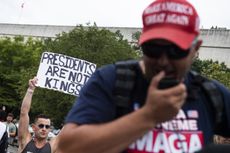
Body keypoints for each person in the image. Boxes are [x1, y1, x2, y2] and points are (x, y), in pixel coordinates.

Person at [58, 0, 230, 153]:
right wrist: (148, 116)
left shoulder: (209, 93)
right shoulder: (112, 81)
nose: (163, 61)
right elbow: (68, 147)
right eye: (153, 49)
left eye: (175, 50)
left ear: (196, 48)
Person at [18, 77, 59, 153]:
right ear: (33, 127)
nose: (44, 129)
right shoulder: (25, 141)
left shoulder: (52, 146)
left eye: (47, 127)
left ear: (50, 129)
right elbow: (24, 113)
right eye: (41, 125)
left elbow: (69, 126)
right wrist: (30, 90)